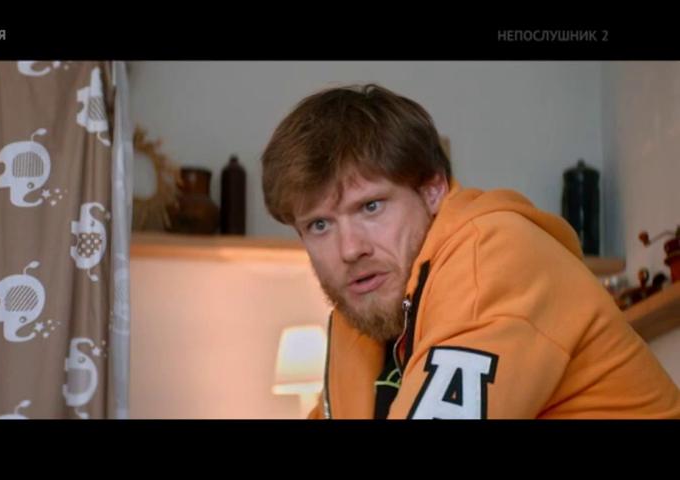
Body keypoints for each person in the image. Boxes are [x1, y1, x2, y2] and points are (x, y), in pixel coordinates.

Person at [261, 84, 680, 419]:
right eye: (320, 225)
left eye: (371, 207)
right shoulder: (364, 314)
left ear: (433, 190)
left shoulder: (493, 258)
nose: (350, 249)